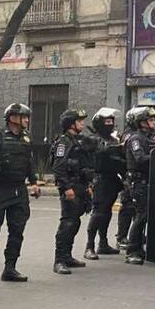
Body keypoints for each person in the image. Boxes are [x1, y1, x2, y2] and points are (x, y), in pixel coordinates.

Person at [0, 103, 40, 282]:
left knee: (17, 230)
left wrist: (34, 182)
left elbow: (29, 163)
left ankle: (10, 268)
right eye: (24, 116)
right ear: (13, 118)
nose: (27, 120)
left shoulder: (26, 138)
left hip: (18, 190)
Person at [51, 109, 93, 275]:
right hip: (71, 187)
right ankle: (59, 260)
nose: (82, 124)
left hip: (80, 186)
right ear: (70, 124)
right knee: (67, 223)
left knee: (75, 222)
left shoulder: (77, 141)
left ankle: (67, 256)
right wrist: (66, 187)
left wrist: (88, 185)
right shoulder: (63, 142)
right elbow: (58, 167)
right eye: (79, 121)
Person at [83, 108, 125, 259]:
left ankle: (103, 243)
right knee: (98, 212)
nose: (110, 124)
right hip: (99, 178)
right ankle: (89, 246)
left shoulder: (114, 140)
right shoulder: (93, 139)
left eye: (112, 121)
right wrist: (118, 147)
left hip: (113, 178)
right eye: (107, 121)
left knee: (107, 212)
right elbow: (101, 151)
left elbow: (120, 159)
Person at [122, 106, 155, 265]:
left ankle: (139, 247)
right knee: (140, 215)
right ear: (141, 122)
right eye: (150, 120)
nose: (154, 122)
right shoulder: (136, 139)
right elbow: (140, 159)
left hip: (148, 180)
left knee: (145, 215)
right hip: (138, 181)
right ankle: (132, 250)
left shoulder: (150, 138)